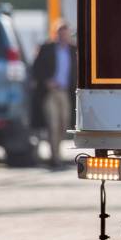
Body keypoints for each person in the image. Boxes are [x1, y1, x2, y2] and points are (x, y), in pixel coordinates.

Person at [28, 25, 75, 169]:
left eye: (66, 35)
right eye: (61, 34)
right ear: (57, 35)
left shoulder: (73, 50)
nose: (64, 37)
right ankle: (55, 157)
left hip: (65, 92)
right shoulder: (47, 49)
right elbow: (36, 68)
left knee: (64, 123)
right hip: (50, 93)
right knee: (53, 124)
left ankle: (57, 152)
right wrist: (46, 81)